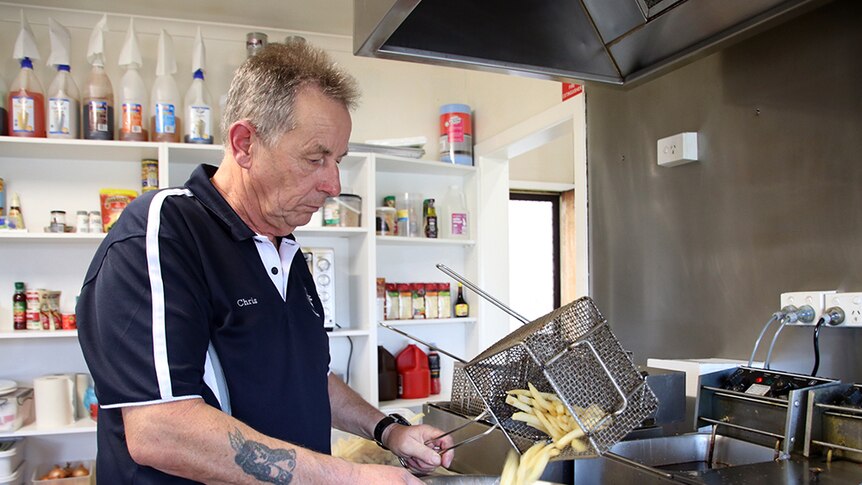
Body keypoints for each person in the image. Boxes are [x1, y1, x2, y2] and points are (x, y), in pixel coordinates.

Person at [77, 42, 454, 484]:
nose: (333, 184)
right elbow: (161, 430)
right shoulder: (165, 231)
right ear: (244, 144)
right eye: (315, 158)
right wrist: (349, 478)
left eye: (338, 161)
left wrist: (389, 431)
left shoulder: (287, 250)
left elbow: (307, 378)